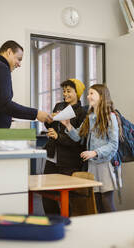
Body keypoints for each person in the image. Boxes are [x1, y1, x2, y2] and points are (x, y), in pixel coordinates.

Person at [61, 84, 122, 213]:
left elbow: (113, 145)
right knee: (97, 202)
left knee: (106, 202)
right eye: (88, 94)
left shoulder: (110, 117)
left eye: (91, 93)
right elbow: (78, 137)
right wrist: (68, 125)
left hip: (105, 165)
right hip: (93, 166)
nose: (88, 97)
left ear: (102, 96)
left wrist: (94, 152)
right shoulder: (90, 117)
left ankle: (116, 230)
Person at [42, 79, 87, 215]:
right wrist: (49, 120)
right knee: (46, 192)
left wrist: (58, 137)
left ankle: (67, 222)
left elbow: (78, 140)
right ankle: (52, 220)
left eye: (69, 91)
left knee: (67, 196)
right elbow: (51, 126)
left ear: (77, 93)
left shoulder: (82, 113)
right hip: (52, 157)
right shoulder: (58, 106)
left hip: (70, 161)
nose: (65, 94)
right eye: (64, 91)